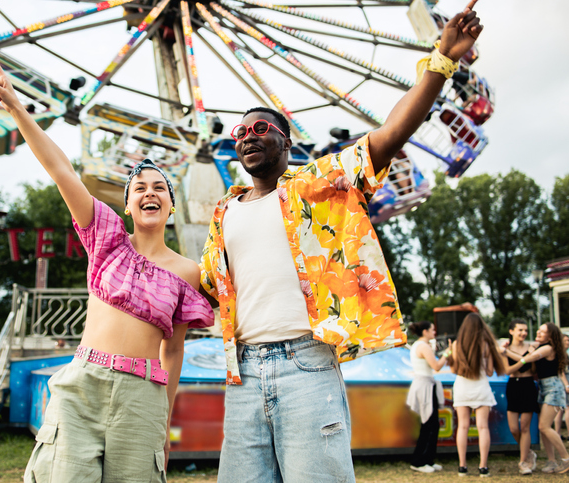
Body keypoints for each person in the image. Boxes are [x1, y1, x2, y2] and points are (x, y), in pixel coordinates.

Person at [199, 2, 484, 481]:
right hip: (242, 373)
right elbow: (206, 283)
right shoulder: (224, 211)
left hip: (305, 364)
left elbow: (392, 133)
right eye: (241, 131)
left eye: (261, 128)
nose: (248, 136)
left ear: (287, 143)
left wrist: (441, 60)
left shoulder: (318, 183)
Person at [0, 57, 214, 482]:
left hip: (144, 396)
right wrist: (17, 108)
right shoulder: (105, 236)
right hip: (83, 384)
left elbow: (174, 349)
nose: (150, 193)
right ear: (126, 205)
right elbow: (60, 169)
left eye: (159, 188)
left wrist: (164, 420)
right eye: (139, 189)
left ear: (171, 204)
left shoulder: (189, 272)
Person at [503, 323, 569, 474]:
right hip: (543, 387)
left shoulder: (547, 348)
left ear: (550, 336)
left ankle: (566, 458)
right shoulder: (541, 346)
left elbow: (526, 359)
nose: (537, 332)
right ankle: (551, 461)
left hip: (553, 388)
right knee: (544, 428)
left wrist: (506, 351)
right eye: (538, 330)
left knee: (544, 426)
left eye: (542, 331)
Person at [448, 313, 505, 477]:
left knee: (463, 427)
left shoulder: (457, 344)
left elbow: (453, 370)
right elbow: (488, 372)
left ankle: (462, 466)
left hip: (462, 388)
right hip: (480, 387)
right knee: (483, 427)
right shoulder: (486, 345)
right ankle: (483, 467)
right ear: (481, 327)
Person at [406, 321, 451, 474]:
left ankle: (428, 460)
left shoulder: (421, 345)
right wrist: (447, 353)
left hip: (426, 385)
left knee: (432, 425)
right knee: (429, 425)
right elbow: (437, 366)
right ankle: (418, 461)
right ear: (425, 332)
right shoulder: (423, 346)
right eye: (432, 330)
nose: (434, 332)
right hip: (425, 386)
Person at [501, 319, 538, 475]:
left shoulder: (532, 348)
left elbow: (534, 368)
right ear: (511, 332)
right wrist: (524, 359)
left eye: (525, 330)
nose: (523, 333)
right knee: (514, 428)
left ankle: (523, 462)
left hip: (528, 385)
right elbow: (507, 370)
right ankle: (529, 452)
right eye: (520, 330)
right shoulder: (505, 349)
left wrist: (531, 356)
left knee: (524, 427)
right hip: (513, 385)